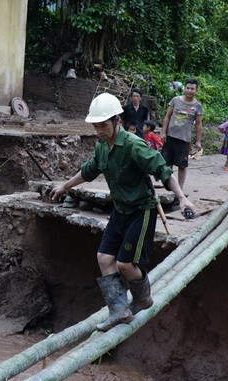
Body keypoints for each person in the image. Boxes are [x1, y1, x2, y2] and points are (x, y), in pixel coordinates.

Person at [50, 94, 197, 331]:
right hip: (119, 210)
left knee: (124, 264)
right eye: (95, 126)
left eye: (103, 125)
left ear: (116, 120)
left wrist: (182, 198)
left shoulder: (133, 145)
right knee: (104, 258)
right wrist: (64, 186)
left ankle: (143, 298)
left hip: (141, 210)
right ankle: (118, 310)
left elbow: (162, 170)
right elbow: (89, 171)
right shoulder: (101, 146)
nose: (99, 131)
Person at [161, 78, 204, 189]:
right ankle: (168, 184)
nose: (189, 91)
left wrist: (198, 141)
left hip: (184, 139)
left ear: (196, 90)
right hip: (170, 136)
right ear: (184, 88)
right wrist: (163, 132)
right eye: (188, 88)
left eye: (192, 89)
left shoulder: (198, 106)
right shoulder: (175, 100)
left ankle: (180, 188)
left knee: (182, 166)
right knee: (167, 163)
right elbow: (167, 117)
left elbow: (199, 124)